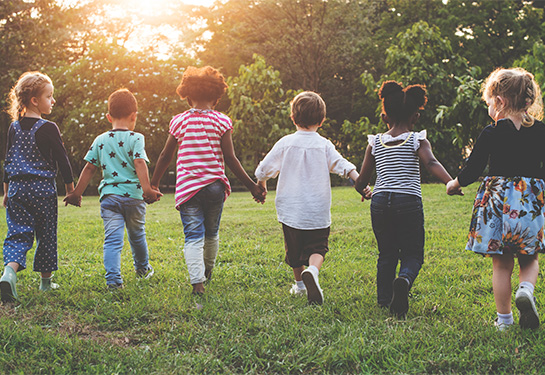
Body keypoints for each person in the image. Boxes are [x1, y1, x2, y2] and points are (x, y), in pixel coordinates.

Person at [150, 66, 265, 295]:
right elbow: (231, 159)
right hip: (214, 187)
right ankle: (208, 273)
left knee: (193, 236)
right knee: (211, 233)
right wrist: (252, 186)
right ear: (216, 95)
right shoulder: (222, 121)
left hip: (188, 190)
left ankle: (198, 284)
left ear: (187, 94)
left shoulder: (179, 121)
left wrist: (153, 184)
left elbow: (165, 156)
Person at [447, 68, 545, 330]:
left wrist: (454, 184)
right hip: (530, 203)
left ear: (499, 102)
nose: (489, 107)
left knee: (501, 266)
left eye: (490, 102)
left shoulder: (491, 132)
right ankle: (525, 289)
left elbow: (474, 168)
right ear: (528, 101)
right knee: (530, 258)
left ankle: (504, 320)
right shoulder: (541, 131)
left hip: (498, 203)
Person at [355, 81, 460, 318]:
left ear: (384, 117)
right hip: (408, 201)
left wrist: (364, 190)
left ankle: (384, 300)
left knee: (386, 253)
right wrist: (450, 183)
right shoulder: (417, 140)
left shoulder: (375, 143)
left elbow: (361, 181)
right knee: (413, 253)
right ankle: (404, 279)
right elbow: (431, 162)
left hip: (380, 202)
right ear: (415, 116)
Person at [255, 91, 360, 305]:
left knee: (294, 250)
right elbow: (344, 165)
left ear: (293, 117)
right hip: (317, 209)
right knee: (318, 246)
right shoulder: (324, 144)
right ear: (321, 120)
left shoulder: (285, 143)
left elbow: (263, 169)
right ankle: (313, 270)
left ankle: (300, 285)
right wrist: (361, 183)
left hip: (290, 209)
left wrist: (262, 186)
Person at [64, 89, 161, 289]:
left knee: (112, 241)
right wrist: (147, 190)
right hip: (134, 197)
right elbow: (140, 163)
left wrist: (76, 193)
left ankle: (113, 281)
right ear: (134, 116)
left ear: (109, 117)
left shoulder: (100, 140)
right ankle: (142, 269)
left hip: (110, 199)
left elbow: (89, 168)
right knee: (137, 235)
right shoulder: (137, 138)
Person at [0, 72, 74, 302]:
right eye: (49, 96)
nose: (53, 101)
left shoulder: (14, 127)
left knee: (18, 234)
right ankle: (45, 283)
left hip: (17, 190)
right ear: (35, 100)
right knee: (46, 234)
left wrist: (5, 191)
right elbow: (63, 160)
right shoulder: (49, 127)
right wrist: (70, 190)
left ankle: (8, 273)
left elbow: (8, 159)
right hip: (42, 190)